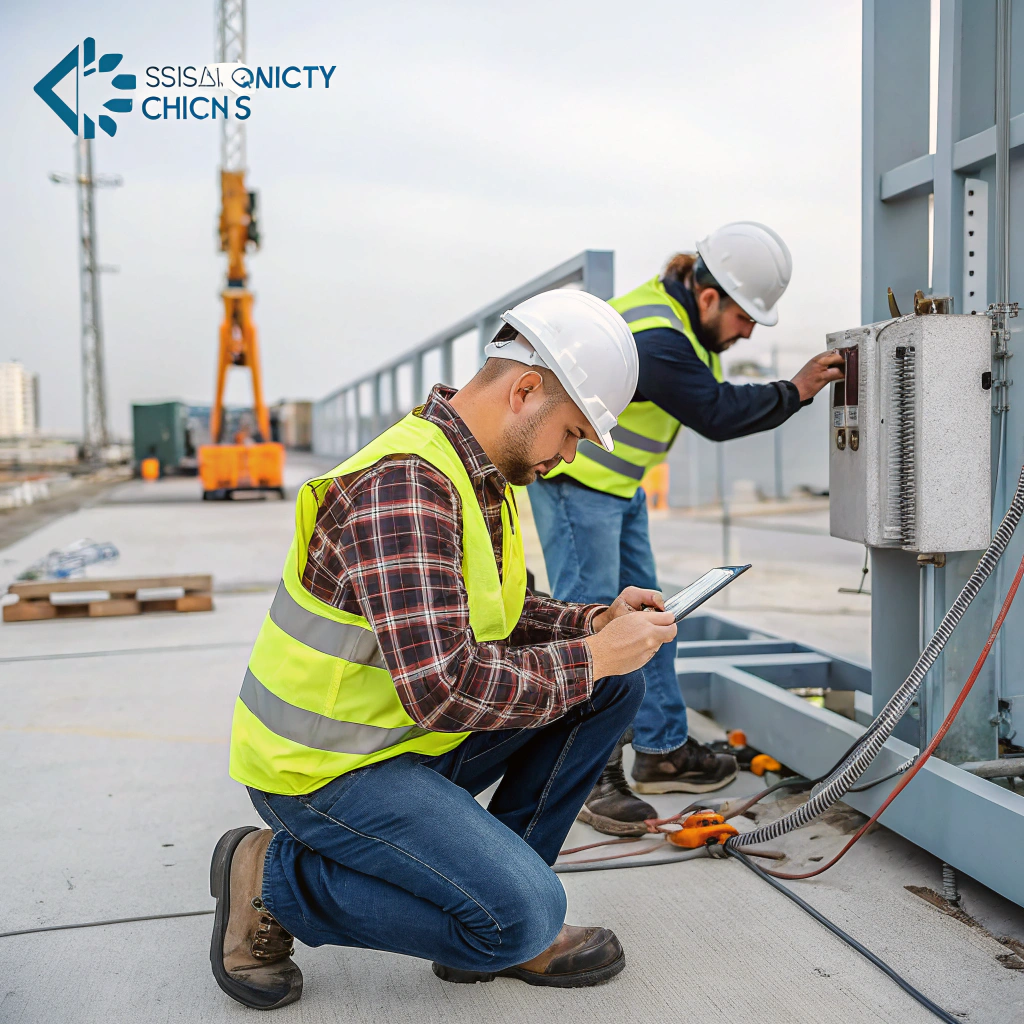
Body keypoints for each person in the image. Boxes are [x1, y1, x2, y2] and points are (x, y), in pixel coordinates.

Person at [210, 289, 680, 1010]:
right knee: (525, 916)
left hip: (404, 743)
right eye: (573, 433)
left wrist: (594, 624)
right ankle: (271, 879)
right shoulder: (406, 484)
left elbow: (508, 612)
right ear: (526, 391)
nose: (568, 457)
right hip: (324, 769)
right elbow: (445, 686)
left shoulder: (484, 475)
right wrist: (593, 656)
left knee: (614, 687)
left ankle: (488, 906)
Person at [528, 222, 844, 837]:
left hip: (616, 489)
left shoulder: (676, 320)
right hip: (578, 487)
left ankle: (661, 750)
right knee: (597, 626)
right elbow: (717, 413)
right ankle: (589, 777)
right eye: (745, 318)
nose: (750, 331)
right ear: (708, 298)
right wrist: (797, 389)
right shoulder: (657, 335)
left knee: (655, 620)